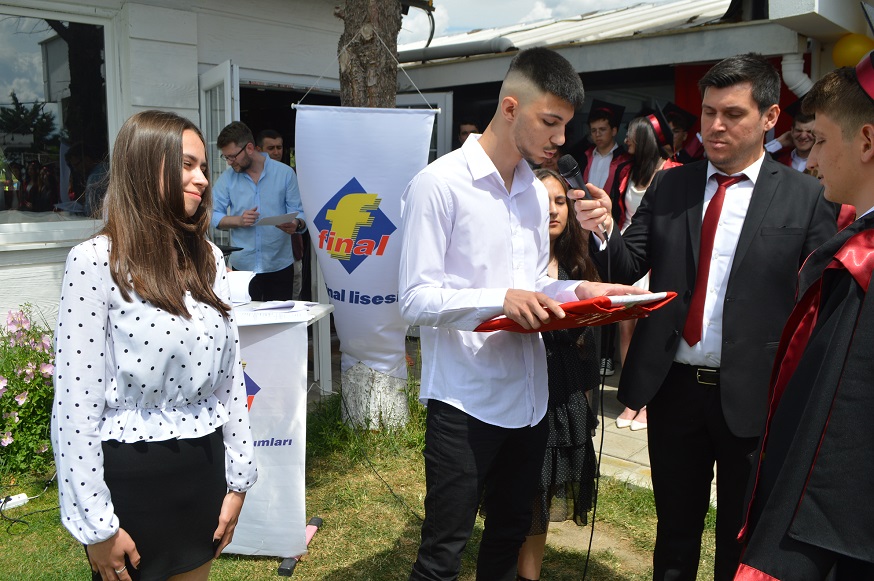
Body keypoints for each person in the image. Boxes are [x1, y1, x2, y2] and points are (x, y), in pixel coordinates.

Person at [573, 53, 836, 581]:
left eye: (732, 114)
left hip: (756, 395)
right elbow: (626, 265)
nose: (715, 125)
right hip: (674, 389)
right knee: (675, 531)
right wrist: (603, 228)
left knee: (742, 534)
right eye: (709, 112)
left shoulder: (806, 196)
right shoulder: (672, 185)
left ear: (770, 117)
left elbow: (820, 304)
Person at [399, 47, 643, 581]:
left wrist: (583, 288)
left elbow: (535, 283)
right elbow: (415, 299)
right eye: (550, 122)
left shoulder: (534, 191)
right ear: (510, 108)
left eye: (566, 125)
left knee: (510, 535)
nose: (561, 138)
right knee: (443, 552)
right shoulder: (439, 184)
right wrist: (499, 298)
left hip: (531, 399)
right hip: (464, 400)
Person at [51, 110, 258, 581]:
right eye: (187, 165)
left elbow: (230, 381)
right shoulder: (95, 261)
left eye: (203, 167)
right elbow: (75, 405)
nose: (202, 179)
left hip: (204, 472)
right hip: (131, 485)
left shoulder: (208, 258)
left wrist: (238, 482)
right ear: (145, 165)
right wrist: (96, 526)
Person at [734, 54, 874, 581]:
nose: (810, 160)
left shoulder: (864, 265)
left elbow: (835, 432)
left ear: (866, 141)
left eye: (820, 141)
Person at [516, 168, 601, 581]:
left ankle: (527, 574)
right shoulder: (512, 264)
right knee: (520, 489)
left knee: (545, 489)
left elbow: (589, 346)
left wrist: (587, 403)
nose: (552, 210)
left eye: (560, 201)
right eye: (542, 200)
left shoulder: (579, 264)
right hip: (519, 387)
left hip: (564, 392)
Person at [610, 112, 682, 432]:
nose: (626, 139)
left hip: (657, 257)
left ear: (646, 139)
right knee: (625, 328)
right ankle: (632, 398)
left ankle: (650, 401)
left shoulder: (674, 172)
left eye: (632, 134)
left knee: (650, 329)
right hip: (629, 253)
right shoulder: (626, 170)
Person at [211, 121, 306, 301]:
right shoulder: (227, 179)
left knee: (281, 318)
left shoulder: (285, 174)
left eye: (232, 156)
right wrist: (238, 221)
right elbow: (212, 215)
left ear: (249, 148)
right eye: (226, 157)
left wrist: (296, 223)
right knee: (244, 319)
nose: (229, 162)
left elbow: (299, 212)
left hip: (279, 264)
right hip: (242, 267)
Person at [255, 128, 305, 300]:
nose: (276, 152)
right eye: (271, 148)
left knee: (290, 301)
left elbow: (301, 210)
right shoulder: (249, 177)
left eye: (279, 147)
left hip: (290, 251)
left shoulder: (289, 174)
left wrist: (298, 223)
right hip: (254, 259)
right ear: (258, 150)